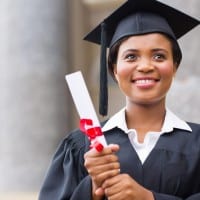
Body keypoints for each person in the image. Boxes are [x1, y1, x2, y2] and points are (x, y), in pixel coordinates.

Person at [39, 0, 200, 199]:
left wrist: (149, 198)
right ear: (114, 70)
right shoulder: (80, 147)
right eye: (131, 57)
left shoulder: (197, 143)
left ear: (174, 66)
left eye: (159, 56)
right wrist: (92, 189)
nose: (145, 66)